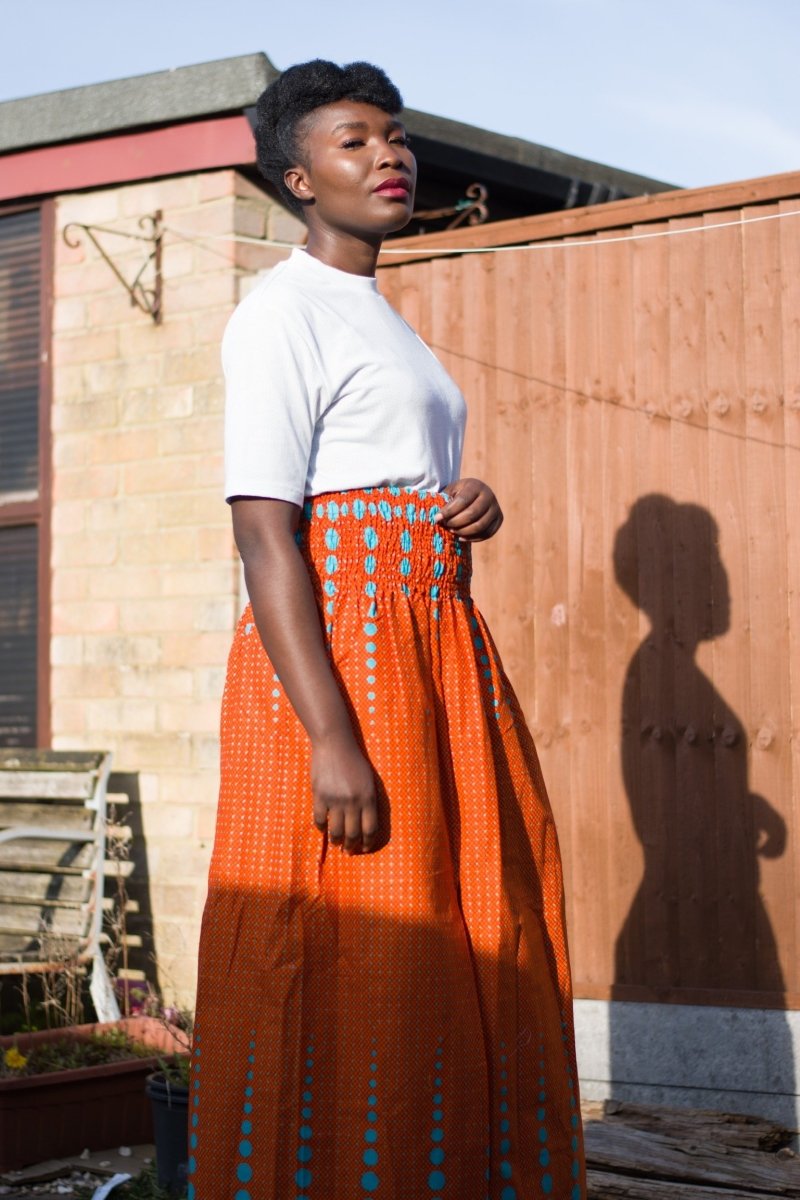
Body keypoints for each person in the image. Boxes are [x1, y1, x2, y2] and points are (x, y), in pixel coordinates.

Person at [191, 59, 585, 1200]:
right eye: (355, 142)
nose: (390, 156)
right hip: (344, 658)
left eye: (396, 137)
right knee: (361, 937)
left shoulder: (380, 317)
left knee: (469, 917)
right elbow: (266, 534)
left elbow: (388, 478)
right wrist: (329, 737)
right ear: (297, 176)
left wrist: (471, 503)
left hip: (432, 643)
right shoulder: (278, 313)